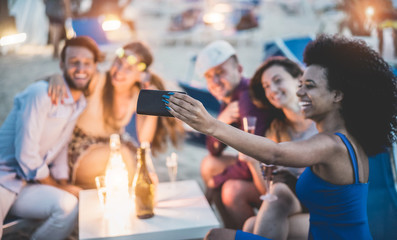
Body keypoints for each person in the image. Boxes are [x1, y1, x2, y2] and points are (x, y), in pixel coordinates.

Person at [165, 34, 397, 239]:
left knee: (216, 236)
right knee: (234, 229)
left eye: (310, 86)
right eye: (301, 84)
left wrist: (212, 125)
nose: (300, 92)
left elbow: (276, 152)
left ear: (337, 95)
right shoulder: (344, 138)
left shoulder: (332, 144)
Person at [0, 36, 101, 239]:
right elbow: (26, 156)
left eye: (87, 63)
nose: (81, 68)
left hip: (27, 184)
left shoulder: (78, 103)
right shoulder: (41, 95)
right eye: (74, 62)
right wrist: (57, 186)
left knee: (67, 206)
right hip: (3, 177)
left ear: (94, 68)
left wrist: (63, 184)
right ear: (62, 64)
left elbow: (60, 147)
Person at [48, 41, 185, 189]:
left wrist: (152, 100)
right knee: (126, 158)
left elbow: (144, 139)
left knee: (144, 166)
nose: (119, 71)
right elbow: (72, 76)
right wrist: (57, 77)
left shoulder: (136, 95)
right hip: (77, 150)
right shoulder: (97, 80)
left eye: (129, 69)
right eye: (118, 63)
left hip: (110, 147)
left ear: (141, 75)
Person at [194, 40, 274, 229]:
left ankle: (244, 233)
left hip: (271, 171)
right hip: (257, 165)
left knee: (231, 190)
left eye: (220, 73)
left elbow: (255, 156)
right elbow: (214, 150)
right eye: (209, 76)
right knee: (210, 164)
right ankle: (231, 229)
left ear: (239, 69)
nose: (214, 82)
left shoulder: (247, 99)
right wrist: (220, 121)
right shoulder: (230, 96)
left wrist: (217, 180)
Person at [238, 56, 317, 240]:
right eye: (266, 86)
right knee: (277, 193)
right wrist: (252, 162)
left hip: (324, 206)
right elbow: (268, 192)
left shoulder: (321, 121)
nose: (272, 90)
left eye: (277, 81)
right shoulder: (275, 131)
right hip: (292, 205)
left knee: (252, 226)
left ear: (299, 79)